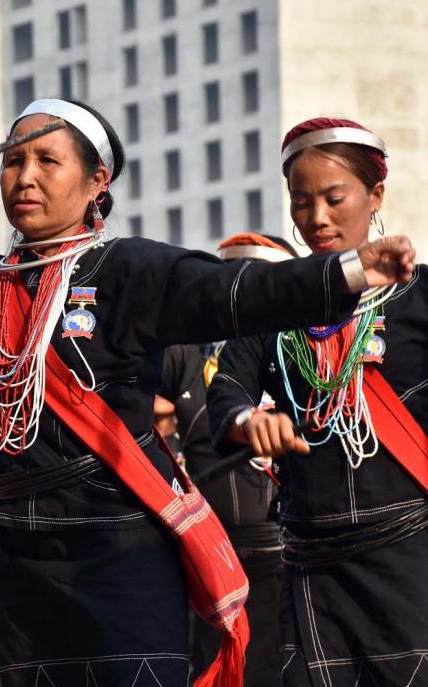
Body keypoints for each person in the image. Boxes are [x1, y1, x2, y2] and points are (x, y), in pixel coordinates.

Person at [0, 98, 415, 685]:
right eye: (14, 162)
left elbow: (233, 292)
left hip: (120, 555)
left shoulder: (126, 270)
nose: (24, 176)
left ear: (95, 181)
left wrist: (349, 271)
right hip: (25, 559)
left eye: (47, 161)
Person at [207, 118, 428, 686]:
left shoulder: (419, 297)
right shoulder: (275, 308)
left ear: (375, 195)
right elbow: (226, 389)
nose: (317, 219)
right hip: (312, 568)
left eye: (334, 198)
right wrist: (247, 420)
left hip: (410, 555)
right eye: (301, 202)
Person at [156, 231, 297, 684]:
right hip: (214, 558)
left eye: (259, 281)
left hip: (287, 550)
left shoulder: (302, 348)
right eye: (235, 280)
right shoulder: (187, 354)